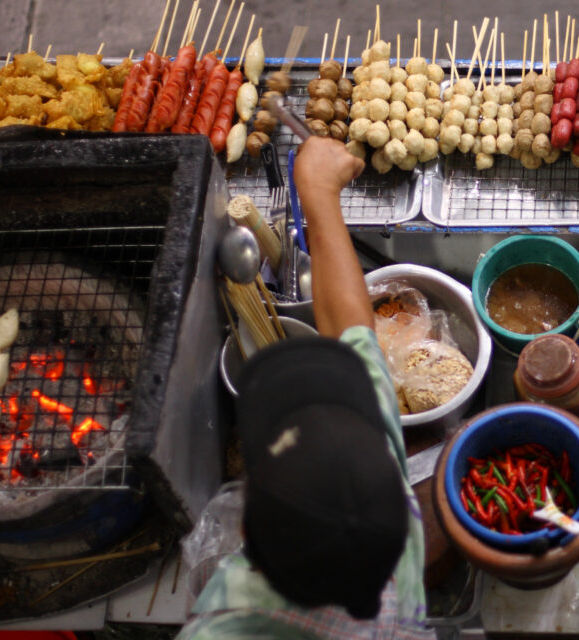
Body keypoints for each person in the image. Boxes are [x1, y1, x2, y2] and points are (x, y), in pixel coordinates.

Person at [178, 137, 432, 639]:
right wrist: (318, 191)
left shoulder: (215, 626)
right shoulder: (396, 546)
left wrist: (316, 189)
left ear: (245, 533)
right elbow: (354, 330)